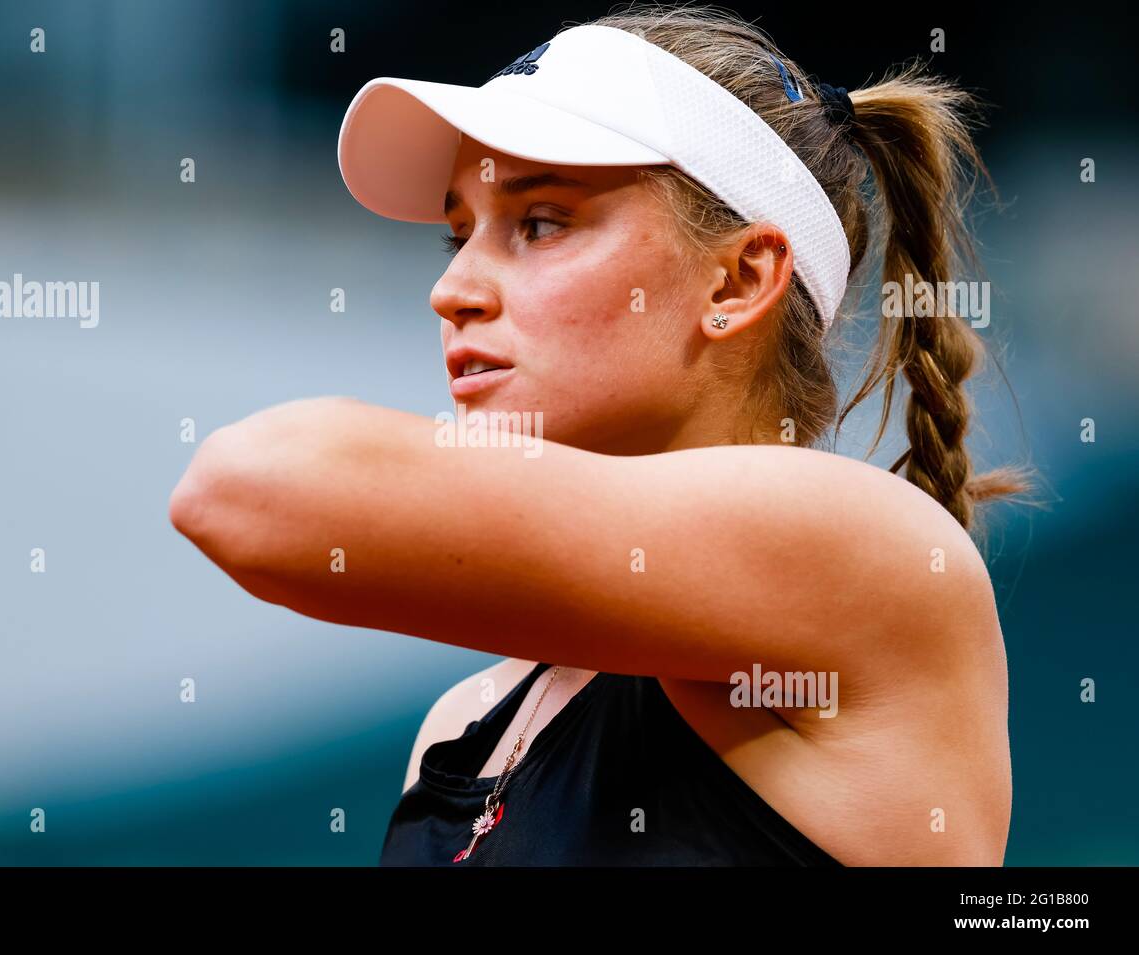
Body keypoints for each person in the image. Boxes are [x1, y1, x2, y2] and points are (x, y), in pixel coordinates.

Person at [169, 5, 1031, 866]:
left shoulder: (868, 551)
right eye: (457, 234)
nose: (454, 288)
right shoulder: (466, 721)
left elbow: (247, 487)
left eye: (539, 222)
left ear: (738, 279)